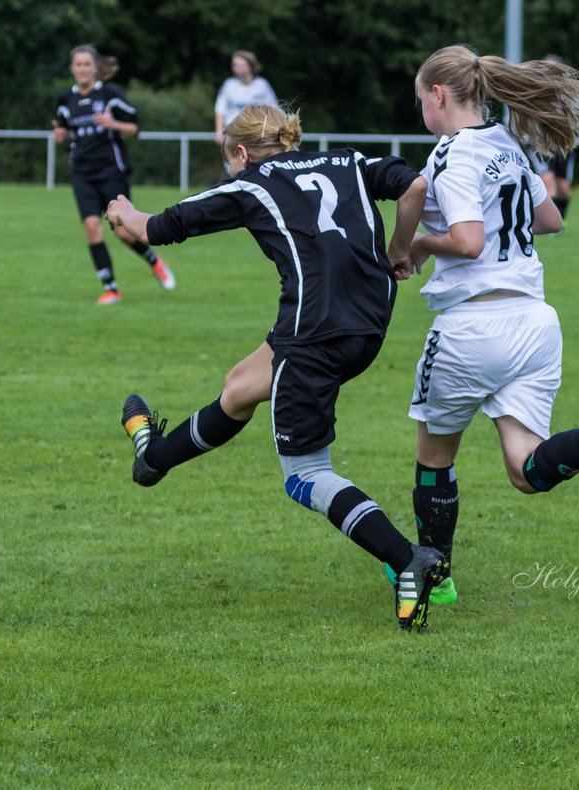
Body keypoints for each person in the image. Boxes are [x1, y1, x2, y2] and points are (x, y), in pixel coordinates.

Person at [107, 104, 446, 631]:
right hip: (367, 325)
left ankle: (408, 559)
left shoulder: (250, 184)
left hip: (314, 336)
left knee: (306, 475)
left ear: (241, 152)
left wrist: (121, 210)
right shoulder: (348, 160)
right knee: (241, 385)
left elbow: (156, 227)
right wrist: (399, 248)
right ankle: (154, 459)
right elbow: (417, 187)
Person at [395, 44, 579, 604]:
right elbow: (549, 219)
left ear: (439, 96)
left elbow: (467, 243)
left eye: (421, 100)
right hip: (535, 324)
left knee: (434, 458)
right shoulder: (507, 144)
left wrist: (419, 242)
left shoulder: (450, 154)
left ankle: (435, 576)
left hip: (472, 327)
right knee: (526, 470)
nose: (422, 110)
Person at [52, 44, 175, 305]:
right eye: (78, 64)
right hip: (81, 173)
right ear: (72, 68)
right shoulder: (65, 100)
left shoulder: (111, 95)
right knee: (92, 229)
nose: (83, 69)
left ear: (96, 67)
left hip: (111, 172)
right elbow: (62, 129)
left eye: (87, 64)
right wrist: (60, 135)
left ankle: (155, 262)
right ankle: (111, 289)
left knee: (122, 232)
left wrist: (113, 124)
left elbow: (134, 128)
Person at [535, 55, 579, 219]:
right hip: (543, 146)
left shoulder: (568, 94)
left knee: (563, 189)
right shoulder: (536, 91)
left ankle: (561, 220)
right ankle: (551, 223)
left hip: (564, 146)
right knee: (548, 183)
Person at [213, 50, 279, 145]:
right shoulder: (229, 84)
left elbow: (274, 109)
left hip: (257, 134)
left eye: (241, 65)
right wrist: (218, 132)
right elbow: (220, 109)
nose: (237, 68)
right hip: (233, 134)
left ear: (250, 66)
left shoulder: (262, 85)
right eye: (235, 65)